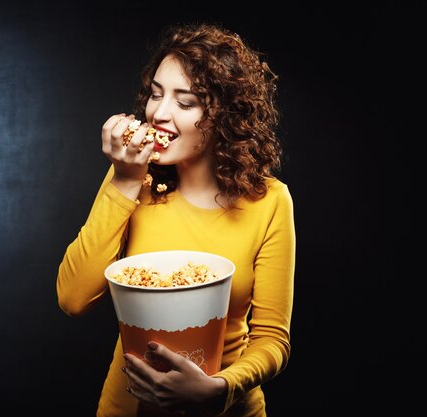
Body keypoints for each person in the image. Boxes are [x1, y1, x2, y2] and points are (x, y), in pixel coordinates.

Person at [56, 22, 295, 417]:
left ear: (226, 117)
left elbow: (272, 338)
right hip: (127, 405)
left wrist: (221, 389)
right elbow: (72, 298)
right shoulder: (132, 177)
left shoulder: (270, 201)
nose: (158, 114)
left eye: (185, 103)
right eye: (155, 94)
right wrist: (125, 181)